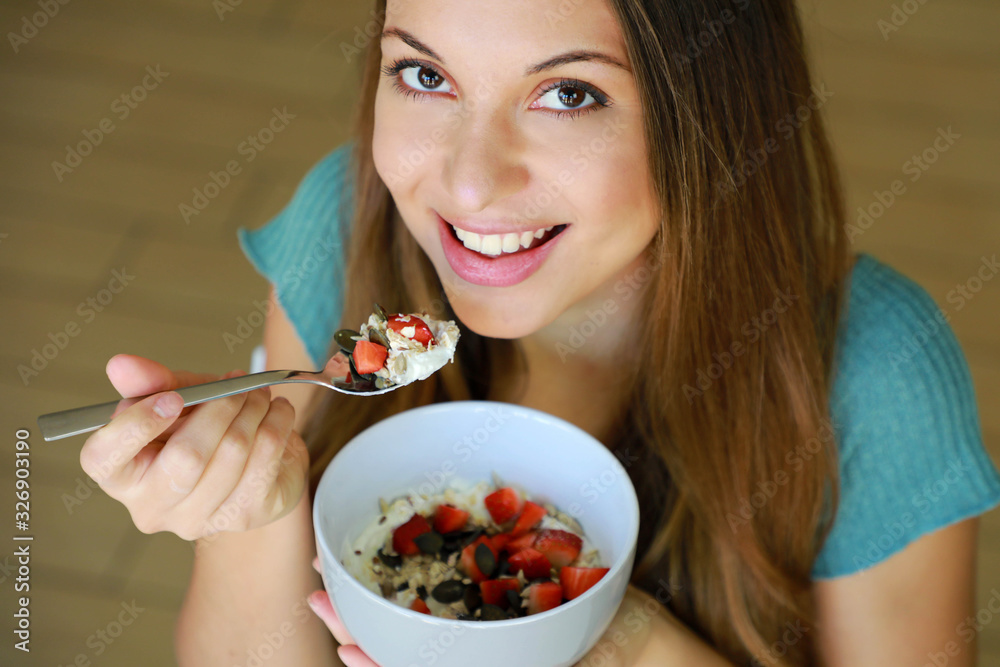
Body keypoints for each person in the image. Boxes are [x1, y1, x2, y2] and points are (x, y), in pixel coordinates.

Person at [81, 0, 1000, 665]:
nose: (469, 186)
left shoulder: (876, 373)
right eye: (426, 75)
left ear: (715, 117)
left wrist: (622, 642)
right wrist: (255, 512)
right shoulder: (344, 228)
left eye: (567, 94)